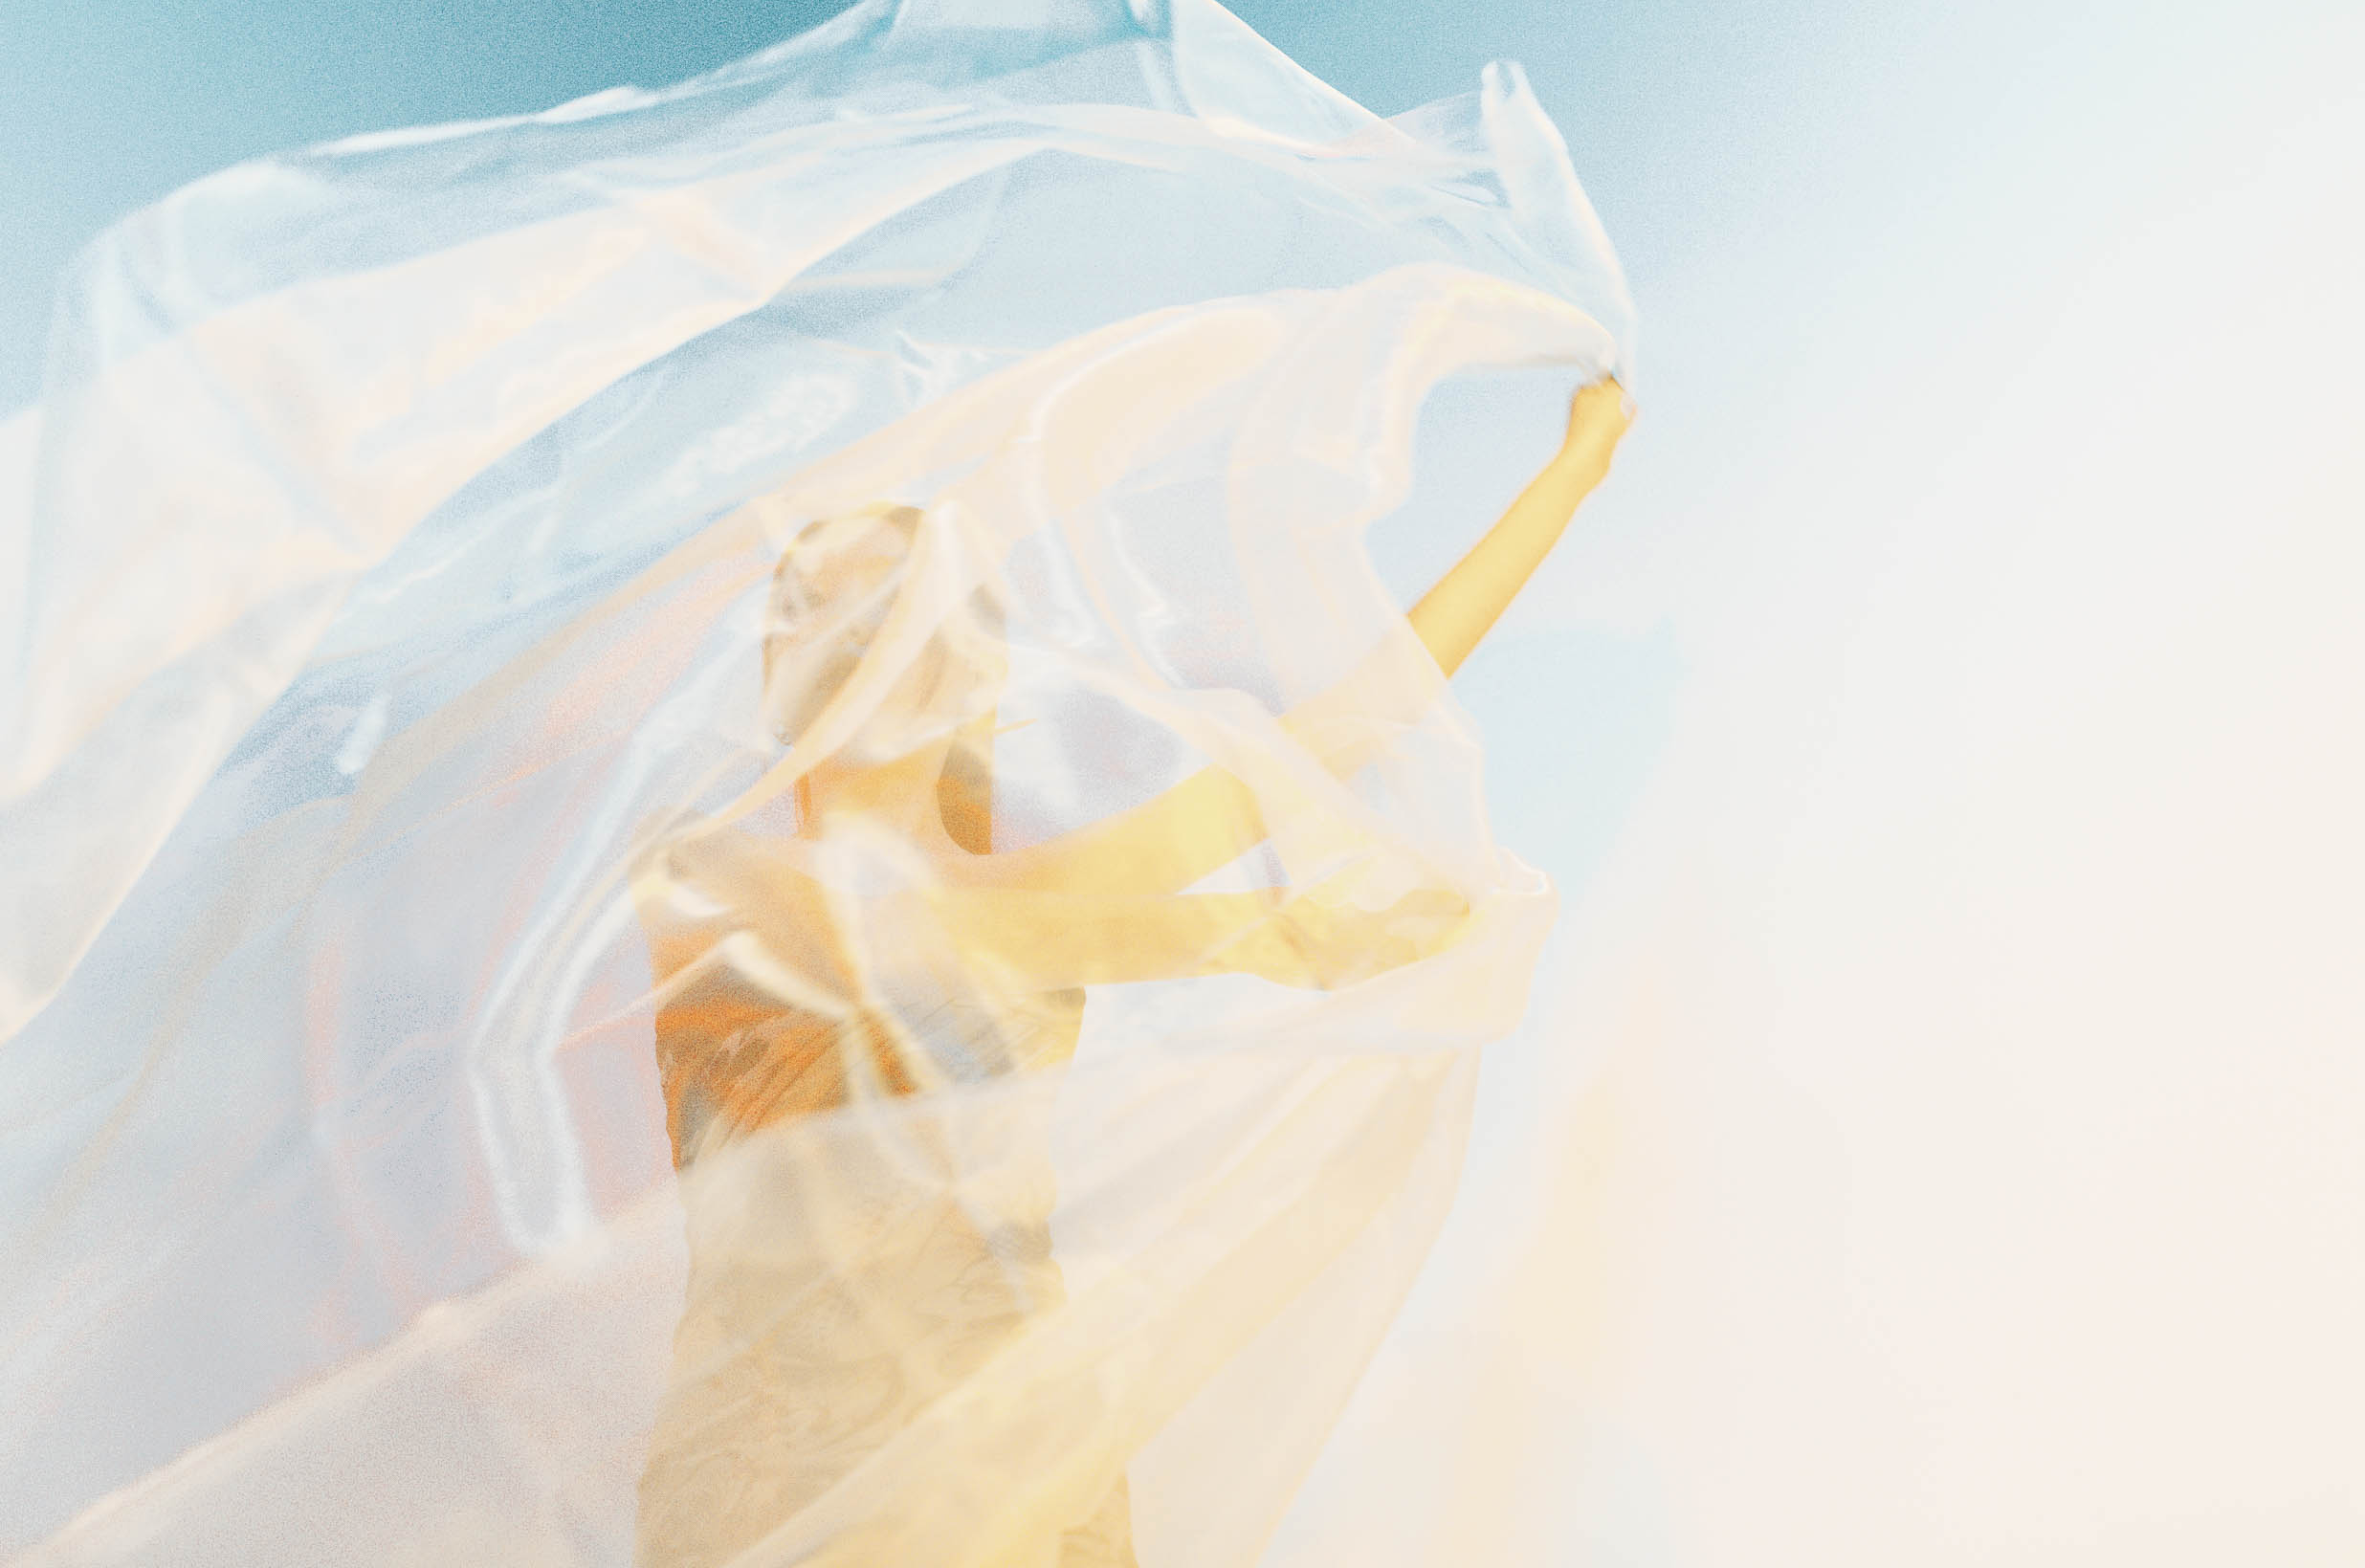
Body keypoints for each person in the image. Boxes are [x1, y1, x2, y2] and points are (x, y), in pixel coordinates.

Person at [631, 378, 1632, 1567]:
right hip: (791, 1467)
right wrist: (1249, 931)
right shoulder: (707, 887)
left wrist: (1569, 477)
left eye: (893, 625)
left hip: (992, 1449)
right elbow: (911, 937)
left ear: (963, 674)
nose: (856, 654)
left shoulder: (1034, 896)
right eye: (820, 622)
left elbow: (1346, 728)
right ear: (776, 673)